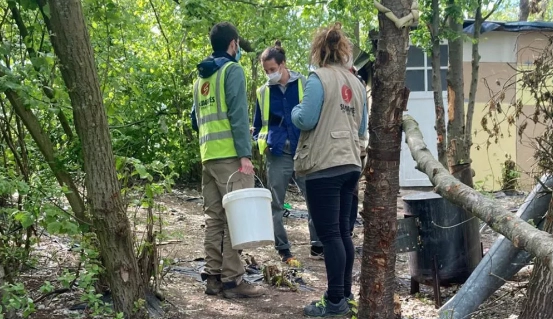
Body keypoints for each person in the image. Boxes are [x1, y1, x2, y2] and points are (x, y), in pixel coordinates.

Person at [291, 22, 368, 317]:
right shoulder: (357, 84)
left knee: (330, 236)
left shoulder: (317, 79)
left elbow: (306, 119)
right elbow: (361, 127)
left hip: (324, 164)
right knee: (343, 234)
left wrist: (295, 110)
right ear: (342, 51)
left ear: (318, 51)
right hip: (350, 163)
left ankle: (334, 301)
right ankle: (343, 296)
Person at [191, 21, 266, 299]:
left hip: (208, 155)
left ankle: (213, 278)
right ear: (233, 44)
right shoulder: (232, 71)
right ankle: (233, 281)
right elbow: (236, 115)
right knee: (237, 218)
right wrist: (245, 155)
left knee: (214, 219)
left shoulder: (200, 78)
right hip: (231, 158)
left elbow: (195, 121)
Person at [252, 40, 324, 263]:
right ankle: (283, 249)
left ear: (283, 65)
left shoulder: (305, 83)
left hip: (303, 152)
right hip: (277, 154)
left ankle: (318, 245)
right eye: (266, 71)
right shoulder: (263, 92)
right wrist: (260, 141)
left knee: (315, 198)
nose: (269, 74)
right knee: (276, 203)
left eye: (272, 70)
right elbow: (257, 124)